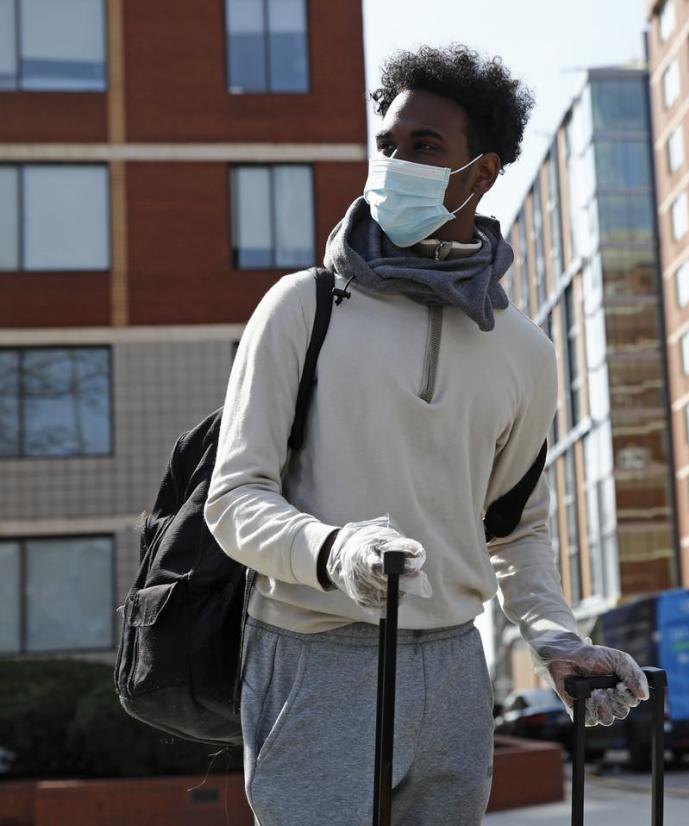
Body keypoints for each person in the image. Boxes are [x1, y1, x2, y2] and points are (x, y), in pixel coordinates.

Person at [205, 45, 646, 825]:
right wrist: (332, 551)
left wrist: (556, 640)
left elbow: (518, 531)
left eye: (424, 147)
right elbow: (235, 498)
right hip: (313, 652)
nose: (393, 163)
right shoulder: (301, 308)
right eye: (388, 144)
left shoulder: (525, 351)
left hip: (452, 666)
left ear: (481, 173)